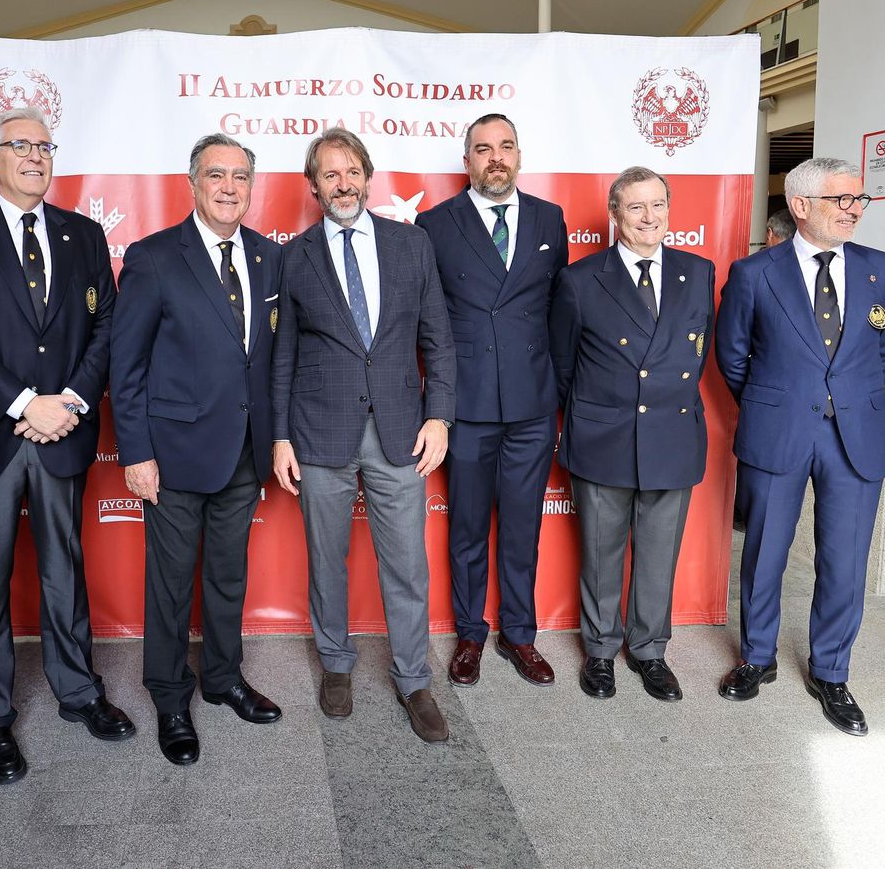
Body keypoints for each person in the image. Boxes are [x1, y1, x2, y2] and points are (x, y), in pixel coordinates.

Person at [0, 107, 132, 785]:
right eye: (20, 145)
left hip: (63, 428)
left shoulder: (83, 233)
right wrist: (22, 402)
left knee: (64, 569)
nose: (35, 156)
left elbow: (106, 328)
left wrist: (68, 402)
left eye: (44, 146)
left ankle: (78, 691)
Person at [271, 128, 456, 743]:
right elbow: (282, 355)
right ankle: (335, 663)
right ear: (314, 186)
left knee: (406, 564)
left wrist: (440, 416)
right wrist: (279, 436)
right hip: (319, 431)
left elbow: (438, 338)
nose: (343, 183)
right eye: (330, 174)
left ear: (368, 177)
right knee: (327, 559)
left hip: (401, 431)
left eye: (352, 171)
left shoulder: (412, 244)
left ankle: (414, 679)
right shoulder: (296, 257)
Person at [714, 157, 885, 736]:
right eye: (841, 200)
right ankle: (757, 657)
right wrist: (776, 402)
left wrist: (843, 397)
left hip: (855, 433)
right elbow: (733, 355)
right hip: (778, 428)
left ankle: (831, 672)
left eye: (858, 200)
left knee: (845, 561)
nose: (854, 210)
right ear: (800, 206)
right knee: (765, 552)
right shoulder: (754, 273)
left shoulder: (883, 270)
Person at [111, 133, 285, 765]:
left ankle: (222, 677)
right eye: (216, 175)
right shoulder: (154, 257)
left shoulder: (268, 257)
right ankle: (169, 697)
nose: (229, 187)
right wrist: (136, 453)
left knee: (228, 575)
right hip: (174, 453)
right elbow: (126, 365)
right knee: (169, 584)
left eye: (240, 176)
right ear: (193, 183)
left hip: (244, 450)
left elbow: (270, 357)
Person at [548, 166, 716, 702]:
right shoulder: (580, 279)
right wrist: (597, 411)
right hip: (604, 435)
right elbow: (563, 365)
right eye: (637, 207)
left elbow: (698, 352)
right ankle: (600, 651)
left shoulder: (698, 271)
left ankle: (649, 651)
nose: (650, 217)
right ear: (615, 214)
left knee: (659, 555)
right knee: (600, 554)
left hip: (672, 432)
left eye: (658, 205)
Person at [415, 112, 567, 689]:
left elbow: (559, 311)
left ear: (519, 155)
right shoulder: (435, 224)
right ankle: (470, 634)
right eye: (483, 148)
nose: (495, 157)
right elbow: (428, 322)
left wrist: (557, 390)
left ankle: (520, 635)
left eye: (505, 146)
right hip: (467, 404)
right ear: (467, 161)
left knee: (523, 526)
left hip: (532, 403)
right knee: (468, 529)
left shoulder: (549, 218)